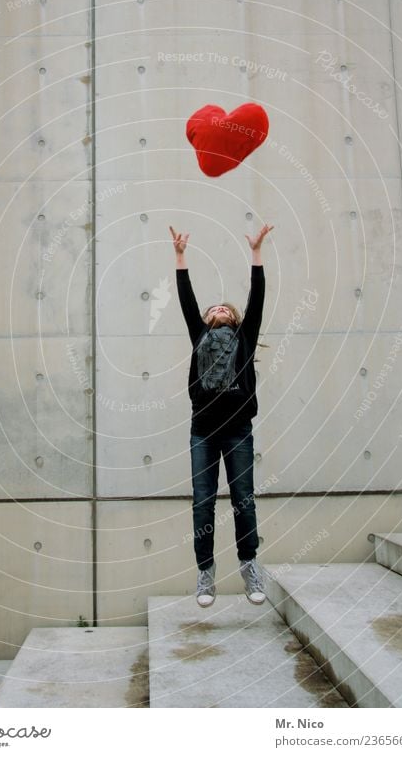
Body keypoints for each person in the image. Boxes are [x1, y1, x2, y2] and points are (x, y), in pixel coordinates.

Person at [169, 223, 273, 607]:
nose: (217, 309)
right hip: (204, 433)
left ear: (233, 317)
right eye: (212, 308)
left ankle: (248, 567)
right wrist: (180, 257)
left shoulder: (245, 337)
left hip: (238, 432)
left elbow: (258, 297)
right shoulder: (200, 337)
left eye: (224, 308)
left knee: (243, 498)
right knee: (203, 501)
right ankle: (206, 574)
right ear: (206, 318)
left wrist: (256, 252)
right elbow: (185, 299)